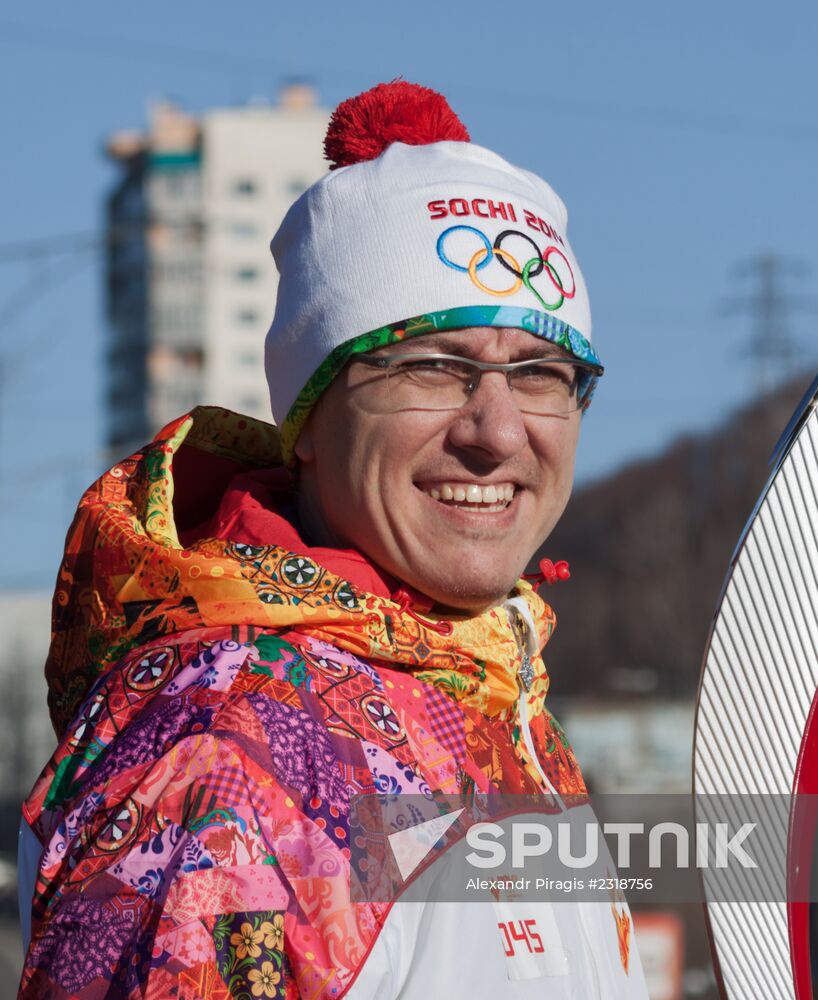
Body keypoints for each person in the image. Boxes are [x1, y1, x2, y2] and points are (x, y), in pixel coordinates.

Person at [18, 81, 648, 998]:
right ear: (308, 419)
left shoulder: (488, 696)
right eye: (436, 365)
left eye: (543, 372)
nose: (500, 431)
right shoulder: (227, 755)